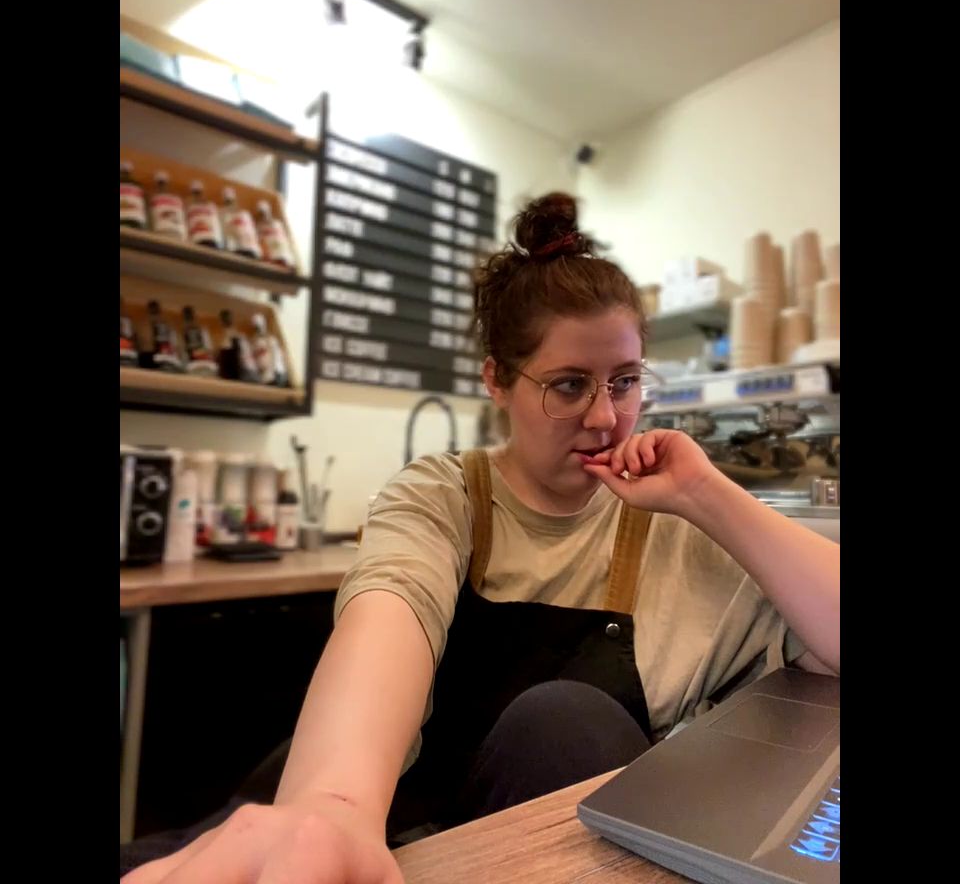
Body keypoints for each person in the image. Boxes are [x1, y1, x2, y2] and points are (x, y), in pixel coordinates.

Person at [122, 192, 839, 884]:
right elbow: (389, 616)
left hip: (552, 865)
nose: (604, 418)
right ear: (498, 380)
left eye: (623, 382)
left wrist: (706, 493)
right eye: (568, 385)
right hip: (398, 843)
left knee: (566, 721)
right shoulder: (443, 497)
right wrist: (330, 809)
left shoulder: (677, 531)